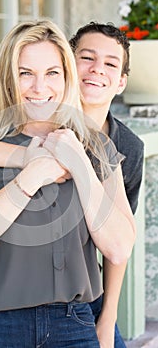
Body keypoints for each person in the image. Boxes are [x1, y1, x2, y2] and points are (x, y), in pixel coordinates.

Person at [0, 20, 136, 347]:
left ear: (67, 76)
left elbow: (118, 247)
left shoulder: (95, 145)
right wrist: (29, 177)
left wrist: (79, 165)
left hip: (73, 322)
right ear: (8, 77)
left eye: (52, 73)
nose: (39, 87)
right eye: (25, 73)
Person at [69, 22, 144, 348]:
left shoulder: (128, 147)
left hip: (88, 294)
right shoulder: (36, 124)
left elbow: (119, 248)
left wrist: (108, 317)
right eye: (87, 57)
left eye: (111, 63)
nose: (98, 69)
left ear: (121, 82)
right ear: (68, 63)